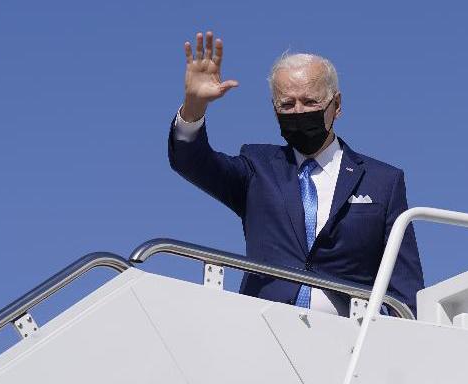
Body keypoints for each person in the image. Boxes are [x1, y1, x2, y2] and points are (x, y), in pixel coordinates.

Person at [168, 31, 424, 315]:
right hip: (266, 333)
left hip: (350, 341)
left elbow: (405, 286)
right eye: (287, 105)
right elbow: (191, 161)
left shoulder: (382, 182)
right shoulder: (257, 167)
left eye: (310, 102)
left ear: (336, 106)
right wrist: (194, 107)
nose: (299, 112)